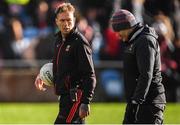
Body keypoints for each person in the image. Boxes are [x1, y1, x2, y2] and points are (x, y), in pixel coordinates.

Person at [34, 2, 96, 124]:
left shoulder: (79, 42)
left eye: (69, 20)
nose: (66, 24)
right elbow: (58, 61)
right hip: (64, 97)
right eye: (62, 20)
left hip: (75, 98)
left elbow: (90, 75)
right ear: (56, 21)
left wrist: (86, 102)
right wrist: (41, 75)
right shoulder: (59, 39)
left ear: (74, 19)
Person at [110, 9, 166, 124]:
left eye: (118, 31)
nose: (117, 36)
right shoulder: (134, 40)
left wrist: (136, 102)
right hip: (138, 102)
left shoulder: (144, 40)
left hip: (148, 103)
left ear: (126, 26)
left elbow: (146, 75)